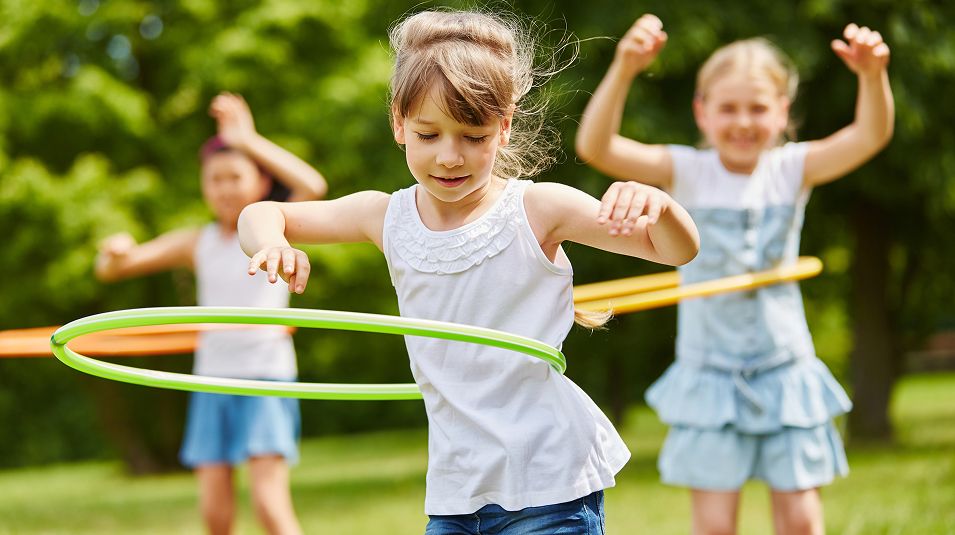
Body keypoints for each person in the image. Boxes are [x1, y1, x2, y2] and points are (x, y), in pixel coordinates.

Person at [237, 9, 699, 535]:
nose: (450, 156)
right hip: (458, 489)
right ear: (398, 123)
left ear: (503, 129)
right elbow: (258, 213)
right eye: (428, 134)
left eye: (473, 136)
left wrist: (659, 207)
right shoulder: (383, 216)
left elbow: (674, 252)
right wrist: (273, 243)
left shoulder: (539, 208)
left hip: (549, 481)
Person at [576, 14, 894, 535]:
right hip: (710, 372)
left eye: (757, 108)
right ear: (702, 112)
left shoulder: (791, 168)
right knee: (716, 526)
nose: (743, 122)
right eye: (728, 108)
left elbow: (870, 135)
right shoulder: (686, 170)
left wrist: (872, 76)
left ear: (782, 112)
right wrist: (625, 67)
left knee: (801, 523)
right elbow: (597, 146)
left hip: (783, 367)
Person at [95, 92, 327, 535]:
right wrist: (114, 251)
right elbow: (112, 270)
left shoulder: (275, 229)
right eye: (214, 179)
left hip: (265, 377)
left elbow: (312, 185)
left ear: (261, 183)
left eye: (234, 176)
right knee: (215, 517)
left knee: (270, 508)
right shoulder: (195, 242)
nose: (223, 187)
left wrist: (248, 138)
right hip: (211, 380)